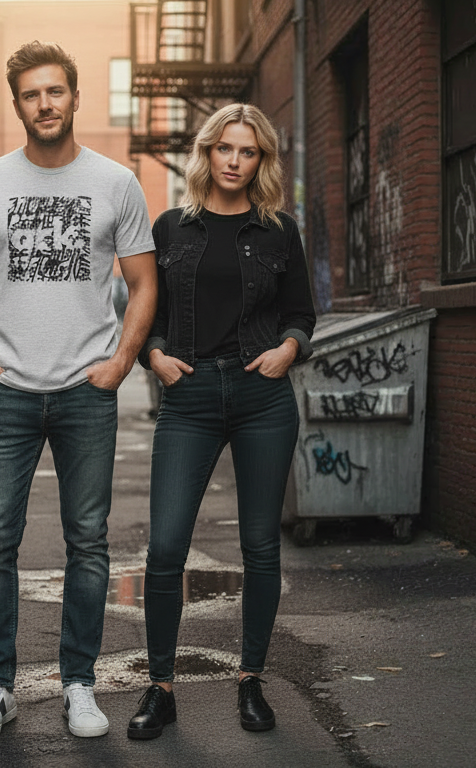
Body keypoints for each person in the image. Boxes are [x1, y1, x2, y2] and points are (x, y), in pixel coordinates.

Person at [0, 40, 158, 743]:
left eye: (55, 91)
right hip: (6, 393)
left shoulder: (117, 183)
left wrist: (121, 363)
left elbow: (143, 282)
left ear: (74, 97)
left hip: (85, 392)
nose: (45, 103)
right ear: (17, 104)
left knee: (88, 543)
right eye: (32, 94)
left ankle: (78, 683)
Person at [127, 103, 315, 739]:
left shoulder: (278, 230)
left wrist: (288, 349)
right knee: (166, 548)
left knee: (260, 546)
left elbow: (301, 313)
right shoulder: (171, 228)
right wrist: (154, 356)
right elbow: (146, 312)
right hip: (190, 399)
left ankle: (251, 680)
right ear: (206, 153)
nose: (235, 161)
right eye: (225, 149)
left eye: (249, 152)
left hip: (263, 396)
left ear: (260, 161)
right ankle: (160, 688)